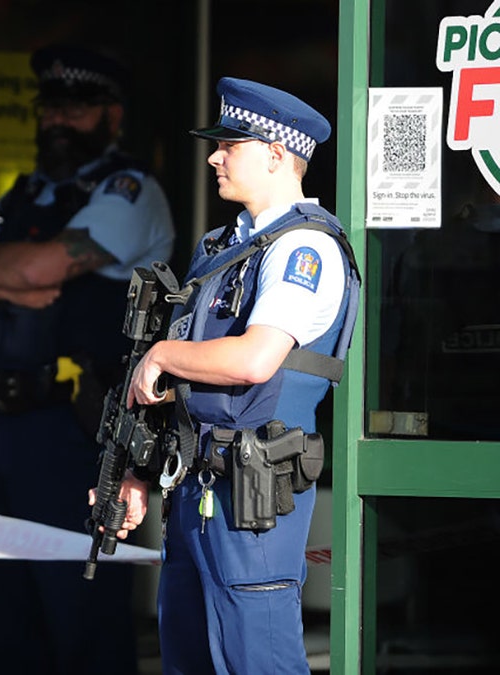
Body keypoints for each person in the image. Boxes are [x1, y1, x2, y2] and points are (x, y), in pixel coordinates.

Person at [0, 43, 175, 674]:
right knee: (10, 617)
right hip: (3, 429)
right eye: (51, 108)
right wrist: (14, 277)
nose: (59, 120)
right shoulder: (26, 192)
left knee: (81, 615)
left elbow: (40, 266)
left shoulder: (128, 190)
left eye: (78, 108)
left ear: (113, 116)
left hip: (77, 430)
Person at [105, 77, 359, 674]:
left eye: (232, 144)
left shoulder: (305, 248)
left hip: (254, 495)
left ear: (276, 154)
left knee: (256, 659)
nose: (215, 156)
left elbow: (253, 360)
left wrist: (163, 355)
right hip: (195, 485)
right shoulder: (223, 245)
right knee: (188, 659)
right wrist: (138, 470)